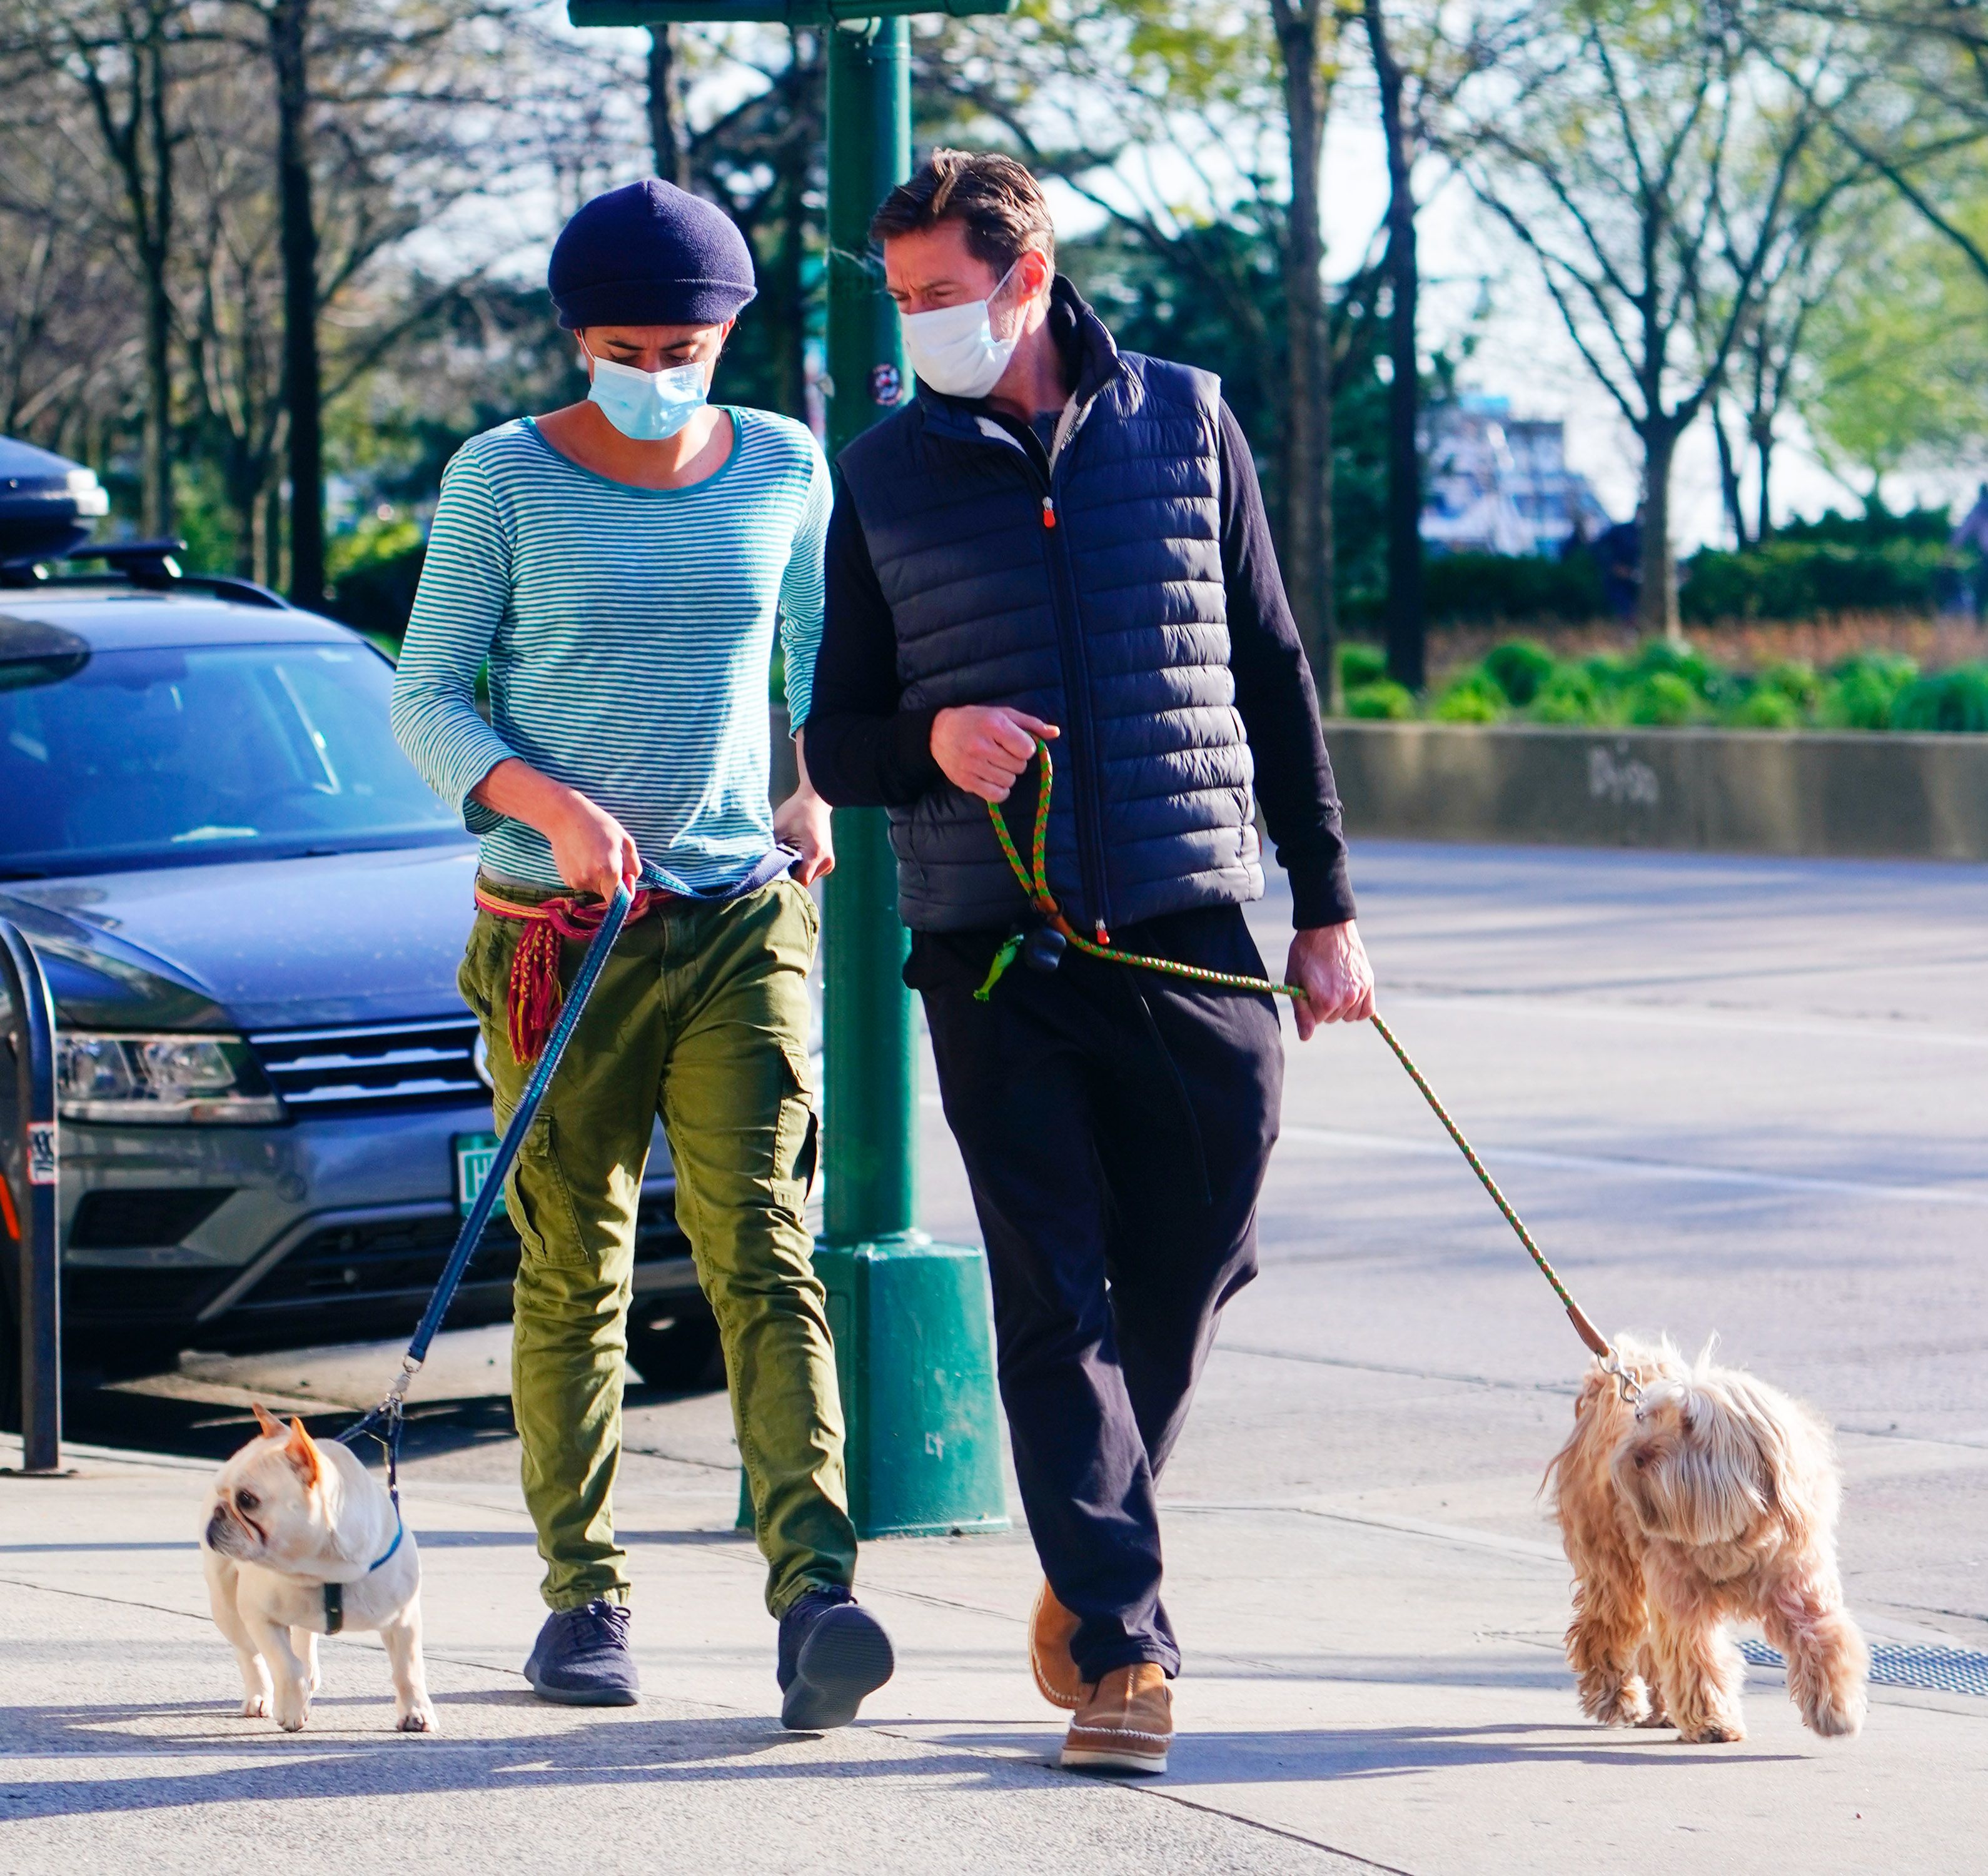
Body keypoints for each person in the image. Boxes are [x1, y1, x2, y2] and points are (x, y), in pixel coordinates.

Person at [803, 151, 1375, 1774]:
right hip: (998, 960)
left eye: (937, 296)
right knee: (1055, 1303)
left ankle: (1085, 1547)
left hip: (1193, 927)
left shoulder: (1184, 420)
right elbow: (836, 739)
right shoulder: (885, 476)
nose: (917, 327)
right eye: (899, 299)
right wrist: (932, 737)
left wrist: (1324, 907)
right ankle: (1126, 1650)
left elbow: (1270, 668)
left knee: (1194, 1262)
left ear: (1026, 275)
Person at [391, 178, 893, 1729]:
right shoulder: (503, 480)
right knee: (577, 1268)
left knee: (765, 1247)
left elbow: (827, 664)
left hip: (741, 919)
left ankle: (818, 1594)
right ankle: (583, 1599)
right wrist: (549, 805)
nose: (659, 370)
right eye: (625, 343)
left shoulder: (786, 465)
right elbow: (426, 699)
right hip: (558, 937)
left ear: (731, 330)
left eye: (685, 343)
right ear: (575, 337)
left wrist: (811, 788)